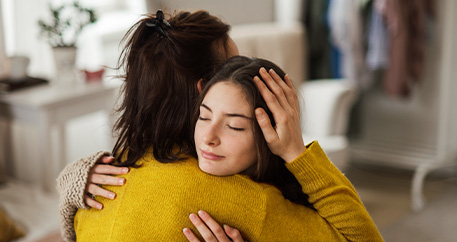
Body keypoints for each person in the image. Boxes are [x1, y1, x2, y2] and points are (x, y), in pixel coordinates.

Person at [59, 10, 383, 242]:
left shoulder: (110, 169)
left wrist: (68, 182)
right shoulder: (239, 201)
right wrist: (298, 154)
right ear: (204, 88)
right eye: (229, 66)